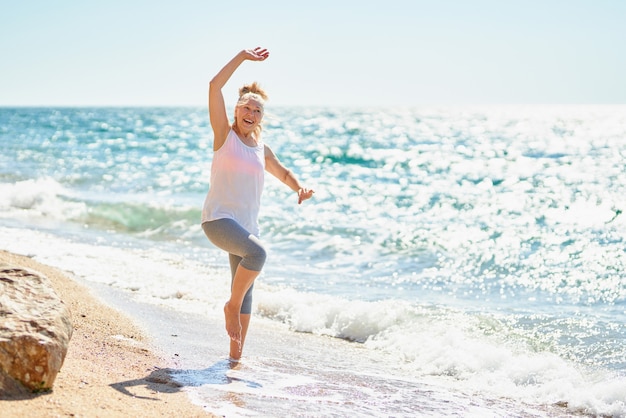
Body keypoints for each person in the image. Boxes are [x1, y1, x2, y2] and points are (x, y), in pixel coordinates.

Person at [201, 47, 314, 361]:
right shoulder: (224, 135)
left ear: (263, 117)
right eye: (246, 109)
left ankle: (234, 361)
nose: (251, 115)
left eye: (257, 112)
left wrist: (299, 188)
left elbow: (283, 171)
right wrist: (241, 56)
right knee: (258, 254)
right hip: (218, 220)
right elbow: (213, 86)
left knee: (247, 294)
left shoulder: (261, 149)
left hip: (246, 227)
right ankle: (230, 306)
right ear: (237, 110)